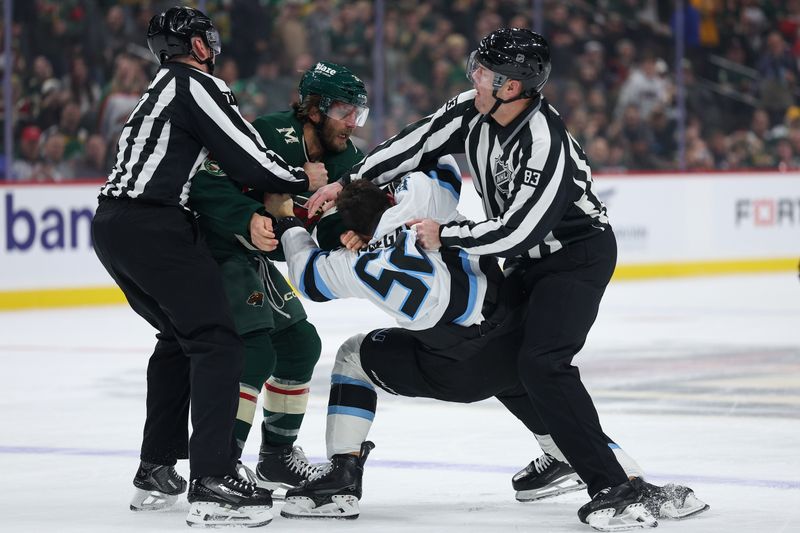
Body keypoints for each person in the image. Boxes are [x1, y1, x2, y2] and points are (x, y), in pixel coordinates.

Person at [305, 28, 707, 531]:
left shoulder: (546, 144)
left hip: (574, 259)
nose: (473, 75)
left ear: (511, 86)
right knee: (498, 350)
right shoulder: (473, 109)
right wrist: (349, 182)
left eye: (484, 70)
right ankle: (566, 455)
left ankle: (616, 488)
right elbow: (415, 143)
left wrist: (446, 234)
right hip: (525, 259)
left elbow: (518, 230)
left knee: (542, 364)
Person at [268, 157, 706, 524]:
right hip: (515, 338)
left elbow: (306, 277)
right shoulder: (423, 198)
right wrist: (370, 176)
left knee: (353, 356)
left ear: (352, 233)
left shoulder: (353, 263)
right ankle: (632, 482)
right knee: (541, 384)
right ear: (389, 197)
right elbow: (439, 161)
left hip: (458, 369)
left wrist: (289, 218)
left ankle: (342, 478)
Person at [91, 6, 325, 528]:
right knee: (220, 342)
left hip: (114, 226)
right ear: (196, 46)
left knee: (179, 338)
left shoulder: (159, 88)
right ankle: (213, 480)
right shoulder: (194, 85)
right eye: (206, 38)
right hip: (155, 225)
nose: (213, 46)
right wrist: (300, 179)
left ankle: (156, 466)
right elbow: (244, 155)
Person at [188, 60, 369, 493]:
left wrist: (353, 232)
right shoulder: (268, 132)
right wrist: (248, 217)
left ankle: (275, 458)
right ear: (314, 110)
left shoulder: (348, 159)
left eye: (358, 113)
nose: (352, 123)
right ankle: (221, 467)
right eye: (344, 111)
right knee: (253, 354)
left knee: (299, 346)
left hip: (252, 260)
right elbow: (205, 183)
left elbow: (327, 223)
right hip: (216, 248)